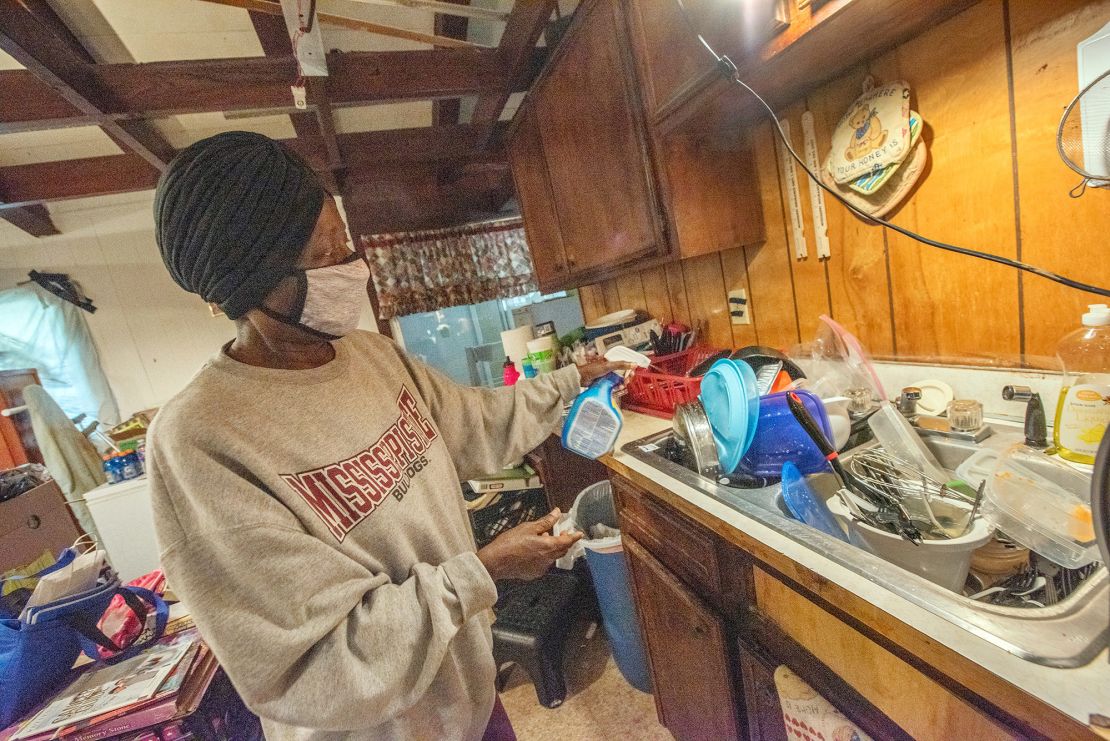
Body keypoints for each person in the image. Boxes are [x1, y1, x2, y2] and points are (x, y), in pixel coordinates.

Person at [147, 132, 627, 740]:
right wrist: (481, 572)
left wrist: (570, 380)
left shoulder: (371, 357)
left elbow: (477, 421)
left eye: (346, 246)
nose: (355, 269)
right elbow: (315, 663)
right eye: (327, 258)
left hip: (463, 695)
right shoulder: (202, 440)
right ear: (254, 280)